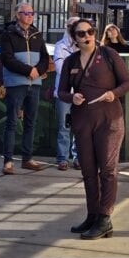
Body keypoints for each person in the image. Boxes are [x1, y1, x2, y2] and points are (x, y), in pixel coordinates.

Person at [57, 19, 129, 240]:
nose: (87, 36)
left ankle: (105, 218)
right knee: (88, 172)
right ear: (74, 38)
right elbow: (60, 92)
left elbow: (127, 83)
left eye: (90, 31)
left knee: (108, 171)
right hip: (82, 121)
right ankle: (92, 215)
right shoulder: (71, 61)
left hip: (109, 121)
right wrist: (72, 96)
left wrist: (113, 93)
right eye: (81, 34)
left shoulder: (109, 55)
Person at [0, 1, 51, 174]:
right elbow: (7, 59)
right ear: (17, 15)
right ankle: (8, 161)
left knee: (31, 122)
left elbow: (45, 57)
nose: (30, 16)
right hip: (16, 83)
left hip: (34, 84)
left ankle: (27, 158)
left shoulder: (36, 34)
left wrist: (37, 71)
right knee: (12, 122)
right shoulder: (8, 34)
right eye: (26, 13)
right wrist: (29, 70)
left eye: (31, 13)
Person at [52, 17, 81, 171]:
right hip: (64, 93)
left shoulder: (83, 45)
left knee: (79, 127)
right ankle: (63, 158)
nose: (75, 29)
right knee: (64, 126)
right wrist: (77, 71)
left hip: (81, 93)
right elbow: (60, 68)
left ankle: (78, 157)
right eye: (72, 26)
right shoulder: (60, 46)